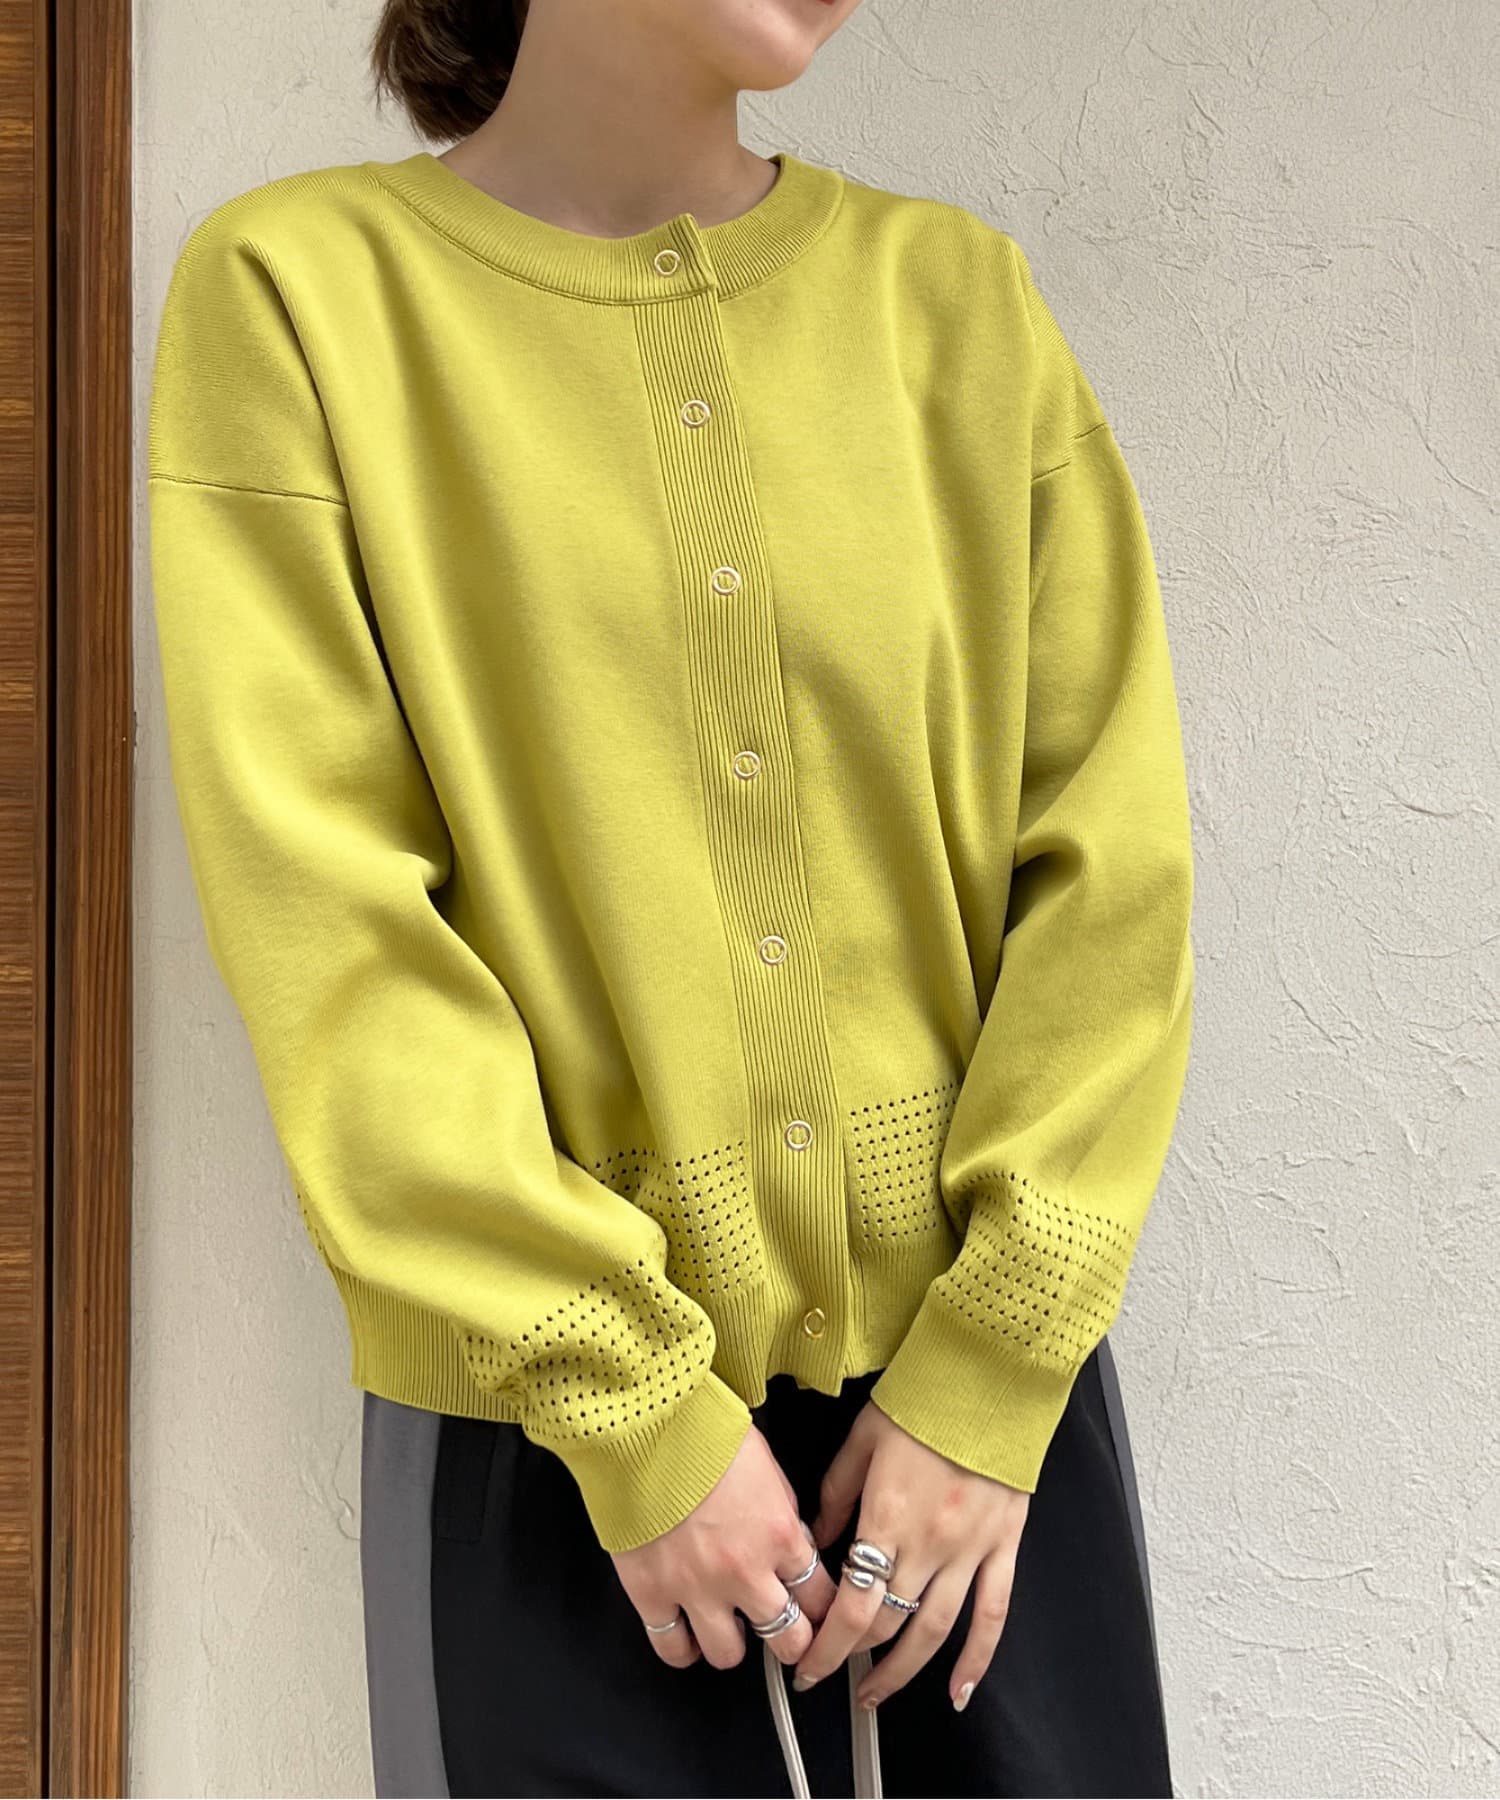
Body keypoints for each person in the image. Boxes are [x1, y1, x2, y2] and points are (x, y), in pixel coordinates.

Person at [145, 1, 1196, 1794]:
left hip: (972, 1427)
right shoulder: (301, 298)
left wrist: (997, 1363)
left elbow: (1112, 866)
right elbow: (330, 923)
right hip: (539, 1423)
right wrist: (626, 1403)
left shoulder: (954, 303)